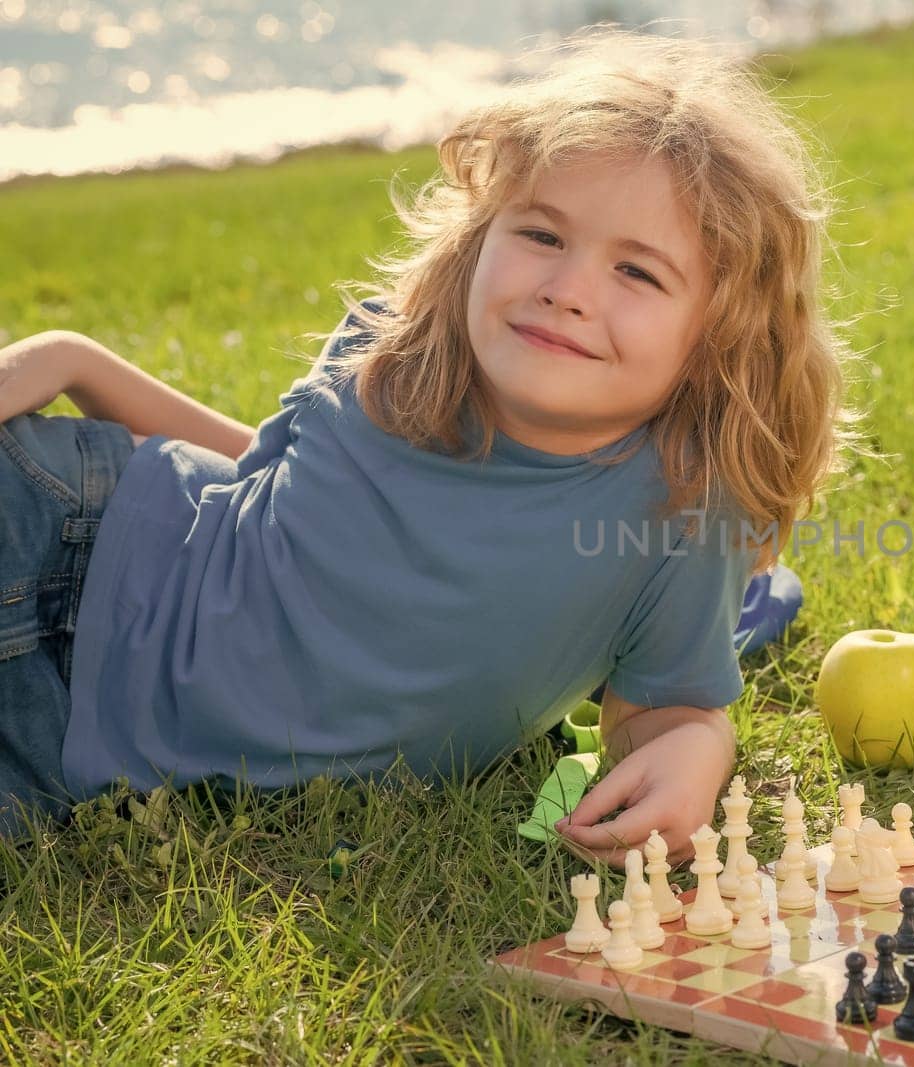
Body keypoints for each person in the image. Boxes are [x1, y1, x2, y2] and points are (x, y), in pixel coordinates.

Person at [0, 29, 862, 862]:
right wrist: (76, 360)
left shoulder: (678, 514)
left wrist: (696, 749)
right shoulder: (396, 359)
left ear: (721, 336)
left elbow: (659, 713)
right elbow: (261, 492)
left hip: (61, 735)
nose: (566, 290)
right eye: (542, 234)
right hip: (62, 537)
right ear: (479, 239)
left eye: (636, 271)